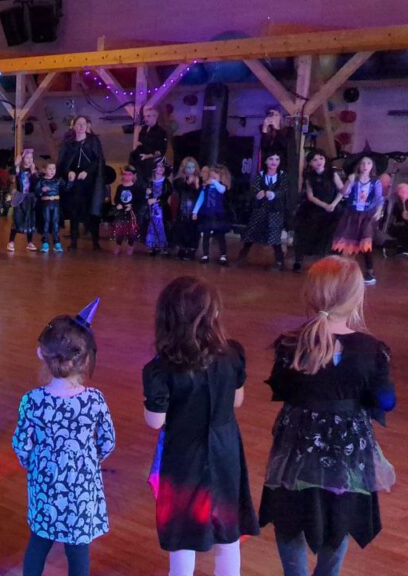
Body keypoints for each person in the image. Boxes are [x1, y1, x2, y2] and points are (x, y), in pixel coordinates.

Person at [258, 256, 396, 576]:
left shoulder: (290, 344)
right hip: (346, 449)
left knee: (289, 513)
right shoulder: (371, 350)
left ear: (311, 295)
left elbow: (281, 387)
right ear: (357, 297)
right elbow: (386, 401)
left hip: (297, 445)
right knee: (339, 516)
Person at [143, 276, 259, 576]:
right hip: (225, 448)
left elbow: (155, 421)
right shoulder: (233, 353)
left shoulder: (160, 368)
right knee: (228, 530)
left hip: (183, 455)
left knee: (183, 530)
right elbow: (237, 400)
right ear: (214, 314)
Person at [13, 301, 115, 576]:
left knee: (38, 543)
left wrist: (35, 463)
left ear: (41, 353)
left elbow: (21, 444)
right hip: (82, 488)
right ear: (85, 360)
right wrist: (89, 460)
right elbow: (108, 441)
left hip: (45, 485)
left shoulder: (32, 401)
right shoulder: (94, 400)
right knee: (78, 549)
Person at [332, 155, 384, 285]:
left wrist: (379, 210)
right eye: (363, 163)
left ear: (372, 166)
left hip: (367, 215)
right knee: (347, 241)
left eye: (368, 163)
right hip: (352, 214)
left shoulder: (375, 182)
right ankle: (344, 270)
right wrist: (348, 182)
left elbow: (379, 198)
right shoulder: (353, 179)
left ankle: (369, 271)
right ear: (358, 166)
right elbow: (344, 193)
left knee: (366, 242)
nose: (365, 166)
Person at [57, 116, 105, 251]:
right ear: (74, 126)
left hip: (90, 182)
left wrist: (87, 172)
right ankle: (73, 242)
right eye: (78, 124)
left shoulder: (93, 141)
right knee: (74, 212)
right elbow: (62, 163)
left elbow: (98, 161)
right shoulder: (68, 143)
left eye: (84, 124)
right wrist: (69, 172)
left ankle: (95, 242)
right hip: (74, 182)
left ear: (87, 126)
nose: (81, 126)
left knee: (92, 211)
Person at [293, 150, 345, 272]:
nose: (318, 162)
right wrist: (324, 205)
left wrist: (333, 204)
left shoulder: (332, 174)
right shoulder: (309, 176)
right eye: (315, 160)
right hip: (314, 208)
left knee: (327, 236)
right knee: (305, 233)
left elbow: (342, 190)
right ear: (310, 163)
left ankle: (323, 261)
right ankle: (298, 260)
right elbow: (310, 196)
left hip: (332, 208)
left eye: (321, 158)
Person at [238, 151, 290, 270]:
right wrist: (258, 194)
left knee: (274, 235)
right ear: (266, 161)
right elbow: (254, 189)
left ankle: (279, 261)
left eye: (277, 159)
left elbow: (284, 191)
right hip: (260, 209)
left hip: (275, 210)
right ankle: (242, 256)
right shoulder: (260, 175)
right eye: (271, 159)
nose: (274, 162)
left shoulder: (282, 176)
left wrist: (274, 194)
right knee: (251, 233)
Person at [193, 164, 231, 265]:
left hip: (218, 214)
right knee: (206, 235)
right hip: (207, 214)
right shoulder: (205, 188)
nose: (212, 179)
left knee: (220, 235)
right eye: (211, 177)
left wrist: (214, 181)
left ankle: (223, 255)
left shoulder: (221, 186)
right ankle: (205, 254)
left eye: (215, 177)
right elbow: (200, 199)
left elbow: (222, 190)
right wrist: (195, 211)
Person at [171, 157, 201, 260]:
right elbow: (180, 189)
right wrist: (188, 182)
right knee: (182, 229)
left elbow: (200, 194)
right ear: (184, 168)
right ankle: (182, 248)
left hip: (195, 209)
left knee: (193, 229)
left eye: (192, 167)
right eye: (188, 167)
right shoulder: (179, 180)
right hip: (182, 209)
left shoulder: (199, 179)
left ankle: (192, 250)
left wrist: (196, 184)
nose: (190, 169)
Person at [9, 149, 39, 252]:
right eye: (27, 157)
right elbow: (12, 173)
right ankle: (11, 241)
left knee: (30, 219)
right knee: (17, 219)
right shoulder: (19, 170)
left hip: (30, 198)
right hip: (20, 197)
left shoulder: (34, 171)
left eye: (31, 158)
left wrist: (34, 172)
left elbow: (36, 184)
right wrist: (16, 163)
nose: (29, 160)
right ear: (22, 159)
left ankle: (30, 242)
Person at [36, 161, 67, 253]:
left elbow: (67, 188)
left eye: (54, 168)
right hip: (46, 205)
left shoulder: (58, 180)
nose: (52, 171)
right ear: (44, 170)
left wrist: (71, 180)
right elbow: (36, 192)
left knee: (55, 223)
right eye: (50, 169)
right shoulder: (41, 181)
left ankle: (57, 242)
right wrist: (41, 190)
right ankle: (45, 242)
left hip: (56, 205)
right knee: (46, 222)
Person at [144, 159, 173, 256]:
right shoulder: (150, 182)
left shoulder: (166, 182)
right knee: (152, 226)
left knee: (162, 227)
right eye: (158, 166)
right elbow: (146, 196)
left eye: (162, 166)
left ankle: (164, 246)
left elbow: (167, 194)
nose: (160, 168)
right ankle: (153, 246)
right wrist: (147, 195)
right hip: (151, 209)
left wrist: (156, 200)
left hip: (162, 208)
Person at [113, 165, 141, 256]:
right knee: (119, 229)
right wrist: (118, 204)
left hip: (132, 213)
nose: (127, 176)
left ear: (133, 176)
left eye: (129, 174)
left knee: (132, 230)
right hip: (121, 212)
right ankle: (118, 245)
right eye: (125, 174)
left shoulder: (136, 188)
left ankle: (130, 245)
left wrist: (132, 206)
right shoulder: (120, 187)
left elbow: (139, 201)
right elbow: (116, 198)